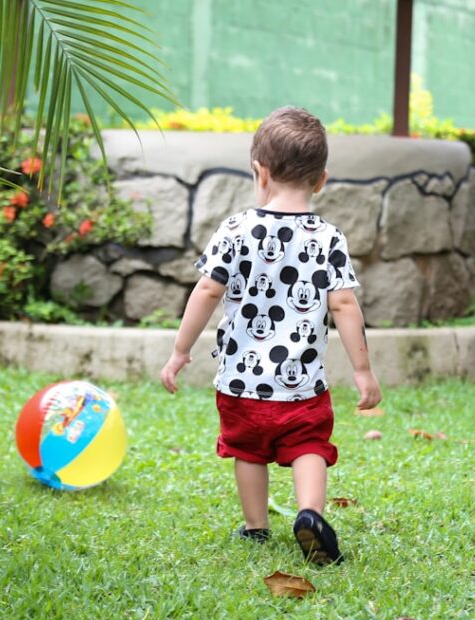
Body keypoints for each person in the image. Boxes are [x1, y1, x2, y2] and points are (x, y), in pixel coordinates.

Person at [160, 106, 381, 566]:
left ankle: (256, 527)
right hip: (302, 385)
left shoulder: (236, 229)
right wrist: (363, 371)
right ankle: (309, 515)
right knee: (309, 447)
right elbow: (344, 305)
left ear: (259, 172)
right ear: (321, 180)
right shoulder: (328, 238)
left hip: (241, 384)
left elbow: (206, 289)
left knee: (248, 450)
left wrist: (181, 351)